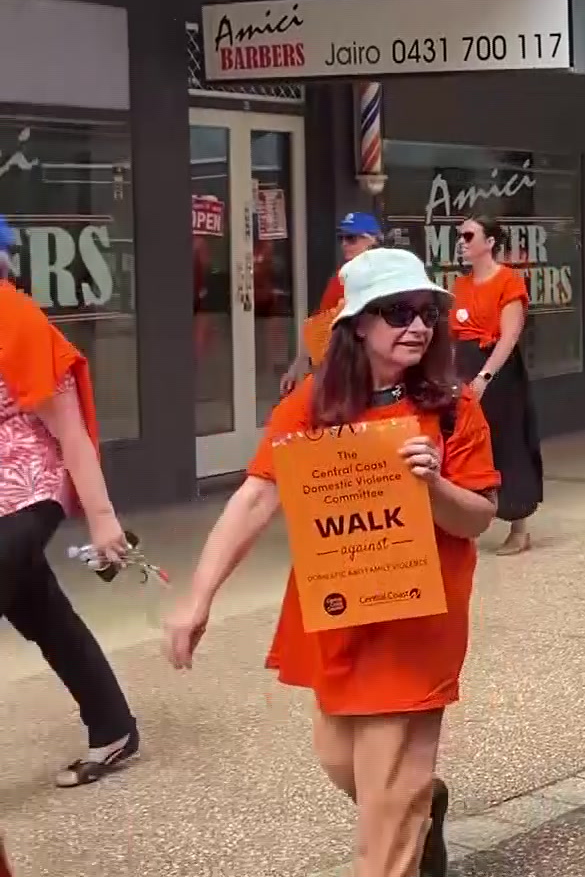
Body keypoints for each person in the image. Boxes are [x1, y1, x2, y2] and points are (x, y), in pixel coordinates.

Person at [164, 248, 500, 877]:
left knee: (384, 817)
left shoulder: (454, 407)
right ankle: (419, 804)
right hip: (339, 614)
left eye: (427, 311)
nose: (418, 325)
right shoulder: (311, 406)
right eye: (398, 311)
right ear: (358, 325)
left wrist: (432, 489)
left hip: (417, 625)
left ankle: (407, 813)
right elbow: (257, 495)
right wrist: (198, 597)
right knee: (344, 761)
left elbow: (480, 515)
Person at [0, 216, 140, 789]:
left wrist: (105, 521)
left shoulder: (21, 322)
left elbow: (71, 430)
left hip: (29, 483)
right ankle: (114, 729)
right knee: (43, 614)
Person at [450, 216, 544, 555]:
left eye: (469, 235)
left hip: (498, 370)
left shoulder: (508, 281)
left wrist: (485, 377)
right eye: (459, 236)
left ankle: (519, 526)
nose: (462, 241)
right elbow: (452, 335)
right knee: (464, 444)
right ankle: (466, 522)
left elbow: (510, 335)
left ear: (489, 242)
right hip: (463, 365)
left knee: (507, 440)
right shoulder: (459, 286)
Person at [282, 212, 385, 394]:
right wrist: (299, 363)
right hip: (346, 362)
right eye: (342, 238)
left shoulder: (390, 274)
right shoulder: (341, 277)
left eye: (351, 238)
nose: (344, 244)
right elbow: (320, 322)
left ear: (373, 240)